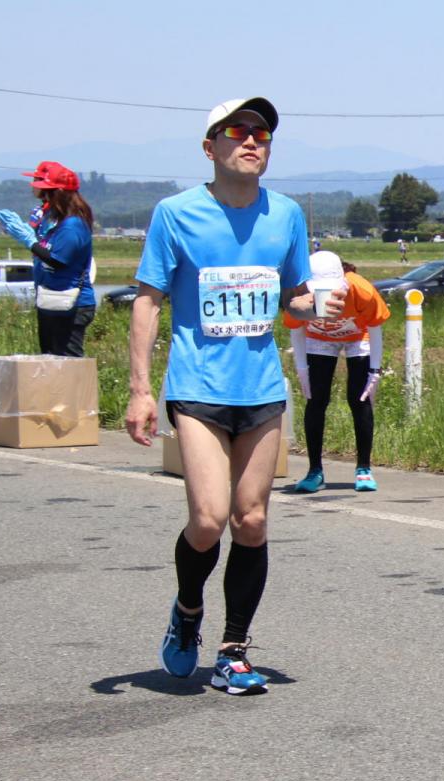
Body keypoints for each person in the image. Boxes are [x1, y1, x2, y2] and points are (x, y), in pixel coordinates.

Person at [125, 97, 346, 696]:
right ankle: (187, 610)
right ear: (210, 146)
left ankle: (234, 651)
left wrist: (311, 307)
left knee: (250, 521)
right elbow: (148, 299)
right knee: (208, 519)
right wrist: (141, 389)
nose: (253, 141)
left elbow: (293, 296)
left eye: (264, 134)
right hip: (196, 385)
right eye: (239, 131)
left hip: (261, 388)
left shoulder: (287, 215)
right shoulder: (176, 213)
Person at [286, 251, 390, 493]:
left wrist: (374, 370)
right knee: (316, 400)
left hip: (357, 337)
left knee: (359, 399)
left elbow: (375, 328)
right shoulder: (298, 293)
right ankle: (314, 472)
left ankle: (363, 468)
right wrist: (301, 368)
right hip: (319, 338)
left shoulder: (361, 289)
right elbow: (296, 330)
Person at [0, 161, 97, 356]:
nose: (35, 188)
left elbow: (57, 260)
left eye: (41, 186)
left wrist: (29, 241)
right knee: (49, 360)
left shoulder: (73, 225)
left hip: (72, 303)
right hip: (50, 299)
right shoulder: (54, 221)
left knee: (68, 363)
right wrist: (34, 230)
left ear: (56, 193)